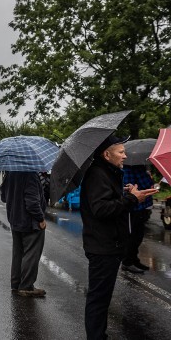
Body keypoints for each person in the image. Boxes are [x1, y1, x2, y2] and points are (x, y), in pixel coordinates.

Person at [80, 135, 157, 340]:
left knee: (102, 298)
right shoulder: (98, 174)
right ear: (107, 154)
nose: (125, 156)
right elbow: (102, 209)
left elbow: (107, 201)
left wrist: (126, 194)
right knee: (98, 298)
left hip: (108, 245)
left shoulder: (107, 172)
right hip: (102, 247)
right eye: (121, 152)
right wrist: (133, 198)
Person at [1, 171, 47, 297]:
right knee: (31, 253)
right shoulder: (31, 174)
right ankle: (26, 286)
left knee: (18, 253)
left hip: (15, 220)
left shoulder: (10, 173)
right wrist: (41, 219)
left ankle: (16, 284)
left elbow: (3, 196)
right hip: (30, 222)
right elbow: (32, 203)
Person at [121, 165, 154, 273]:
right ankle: (127, 262)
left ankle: (134, 260)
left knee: (138, 236)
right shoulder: (132, 168)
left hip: (141, 206)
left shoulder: (137, 168)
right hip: (135, 207)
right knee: (133, 236)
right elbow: (146, 185)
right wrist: (148, 177)